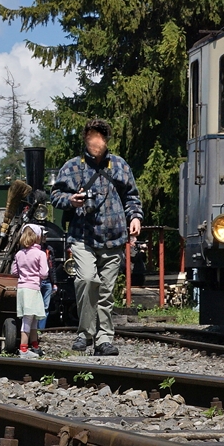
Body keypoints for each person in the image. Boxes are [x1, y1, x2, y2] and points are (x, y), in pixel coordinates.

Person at [51, 118, 142, 356]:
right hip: (83, 236)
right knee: (87, 281)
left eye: (100, 136)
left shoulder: (120, 166)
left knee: (106, 291)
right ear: (85, 139)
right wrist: (70, 200)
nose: (96, 141)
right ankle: (85, 333)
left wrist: (135, 217)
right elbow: (55, 195)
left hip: (114, 237)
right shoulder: (72, 167)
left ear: (106, 140)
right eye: (92, 136)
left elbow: (132, 196)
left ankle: (104, 339)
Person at [11, 224, 49, 359]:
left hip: (21, 289)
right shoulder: (40, 254)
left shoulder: (19, 254)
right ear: (37, 237)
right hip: (33, 289)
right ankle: (23, 349)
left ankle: (35, 346)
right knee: (28, 321)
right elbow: (44, 273)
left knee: (31, 319)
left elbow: (14, 272)